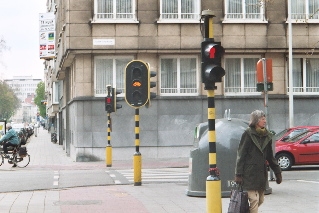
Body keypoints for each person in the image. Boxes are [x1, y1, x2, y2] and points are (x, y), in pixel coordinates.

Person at [234, 110, 282, 213]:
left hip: (261, 173)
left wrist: (277, 172)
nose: (265, 121)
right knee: (254, 200)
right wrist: (238, 174)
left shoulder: (267, 135)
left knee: (260, 200)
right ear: (256, 121)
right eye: (262, 119)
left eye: (265, 119)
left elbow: (270, 156)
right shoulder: (248, 134)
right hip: (249, 173)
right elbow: (241, 154)